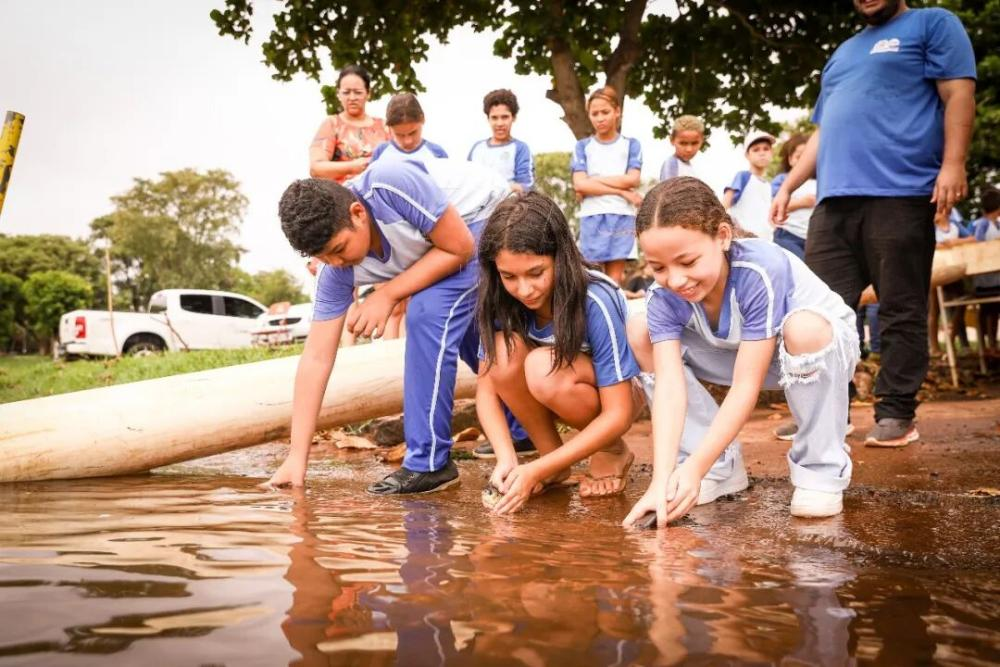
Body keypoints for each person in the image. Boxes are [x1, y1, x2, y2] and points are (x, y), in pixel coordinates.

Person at [771, 0, 976, 447]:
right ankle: (830, 411)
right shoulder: (842, 52)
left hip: (900, 191)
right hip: (834, 200)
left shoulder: (932, 24)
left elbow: (957, 92)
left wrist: (953, 164)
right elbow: (822, 131)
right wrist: (788, 185)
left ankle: (896, 412)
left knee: (900, 306)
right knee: (819, 310)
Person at [265, 158, 527, 494]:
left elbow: (460, 247)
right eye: (324, 258)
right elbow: (315, 358)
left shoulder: (388, 183)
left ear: (358, 213)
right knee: (467, 336)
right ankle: (523, 428)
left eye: (339, 250)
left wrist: (388, 293)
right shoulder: (335, 270)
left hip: (487, 218)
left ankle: (428, 463)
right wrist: (296, 457)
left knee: (427, 312)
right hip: (445, 245)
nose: (337, 264)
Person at [624, 178, 859, 527]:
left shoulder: (760, 269)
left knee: (804, 329)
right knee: (639, 327)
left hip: (814, 351)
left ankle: (820, 470)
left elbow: (746, 385)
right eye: (659, 268)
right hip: (739, 354)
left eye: (687, 261)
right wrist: (663, 479)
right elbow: (670, 388)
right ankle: (718, 468)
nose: (675, 280)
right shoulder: (664, 295)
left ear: (722, 236)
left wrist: (693, 469)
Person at [476, 191, 645, 513]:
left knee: (542, 367)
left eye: (536, 273)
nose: (524, 290)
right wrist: (507, 459)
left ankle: (611, 449)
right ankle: (551, 458)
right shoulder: (501, 298)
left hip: (620, 394)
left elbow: (619, 411)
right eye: (509, 276)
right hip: (561, 386)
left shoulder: (594, 298)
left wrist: (533, 471)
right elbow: (487, 389)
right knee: (503, 349)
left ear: (560, 256)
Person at [571, 86, 643, 286]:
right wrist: (621, 190)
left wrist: (591, 182)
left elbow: (633, 179)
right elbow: (579, 183)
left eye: (605, 112)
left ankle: (614, 315)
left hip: (622, 215)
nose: (600, 118)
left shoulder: (631, 145)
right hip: (592, 215)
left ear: (617, 111)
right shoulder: (583, 146)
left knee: (615, 280)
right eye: (595, 113)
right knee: (591, 276)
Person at [309, 65, 389, 183]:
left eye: (358, 92)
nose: (352, 98)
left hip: (381, 195)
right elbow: (316, 169)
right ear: (338, 94)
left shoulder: (385, 127)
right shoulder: (332, 124)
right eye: (346, 92)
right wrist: (352, 167)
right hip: (342, 197)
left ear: (368, 93)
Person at [468, 89, 534, 193]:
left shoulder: (521, 149)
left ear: (514, 118)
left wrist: (493, 188)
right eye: (494, 118)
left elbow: (526, 187)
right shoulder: (477, 148)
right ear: (488, 119)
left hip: (508, 207)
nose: (499, 123)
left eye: (505, 117)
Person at [769, 134, 816, 260]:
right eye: (798, 157)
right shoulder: (783, 180)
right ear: (790, 159)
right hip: (788, 235)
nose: (803, 162)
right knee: (799, 267)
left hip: (811, 238)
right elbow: (773, 205)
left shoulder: (819, 182)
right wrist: (802, 203)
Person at [722, 131, 775, 241]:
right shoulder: (743, 177)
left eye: (766, 149)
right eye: (756, 150)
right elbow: (723, 206)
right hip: (744, 241)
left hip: (765, 241)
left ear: (772, 152)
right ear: (747, 155)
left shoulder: (769, 185)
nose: (762, 153)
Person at [369, 93, 449, 164]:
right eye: (399, 135)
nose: (407, 141)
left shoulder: (437, 153)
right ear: (389, 128)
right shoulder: (381, 152)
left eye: (413, 133)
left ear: (423, 119)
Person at [971, 187, 1000, 352]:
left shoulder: (998, 224)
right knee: (986, 311)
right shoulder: (982, 224)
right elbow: (978, 244)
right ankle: (985, 345)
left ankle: (993, 343)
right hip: (984, 281)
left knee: (995, 311)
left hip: (997, 278)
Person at [659, 115, 705, 182]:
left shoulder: (691, 167)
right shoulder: (671, 164)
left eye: (694, 143)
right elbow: (669, 191)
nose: (689, 149)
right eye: (683, 143)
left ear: (702, 141)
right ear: (672, 140)